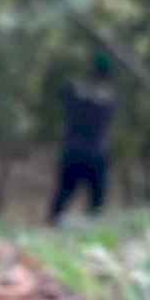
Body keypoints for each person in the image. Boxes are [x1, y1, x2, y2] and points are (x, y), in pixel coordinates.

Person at [48, 52, 116, 225]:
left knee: (63, 195)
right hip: (95, 153)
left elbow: (63, 98)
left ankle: (54, 224)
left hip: (73, 150)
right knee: (96, 202)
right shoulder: (109, 98)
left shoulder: (73, 89)